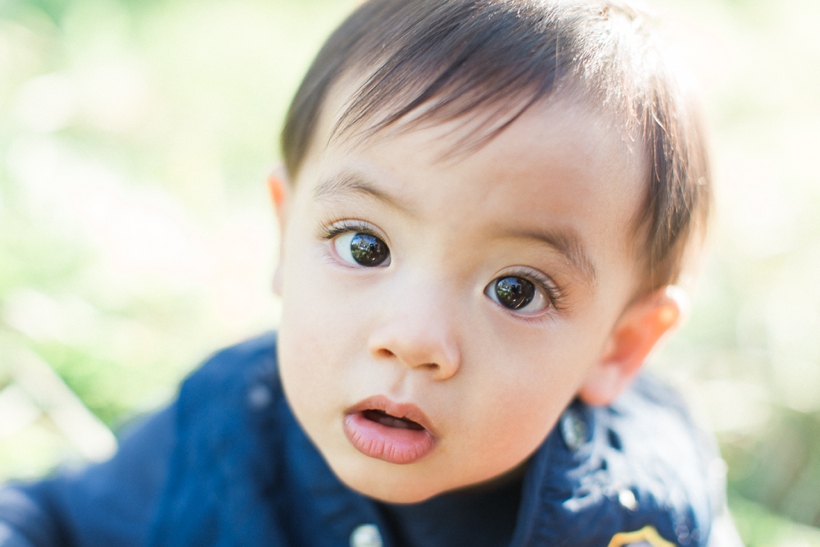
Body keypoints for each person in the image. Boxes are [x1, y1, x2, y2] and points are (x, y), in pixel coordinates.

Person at [0, 0, 744, 545]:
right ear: (285, 234)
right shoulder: (228, 424)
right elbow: (52, 518)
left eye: (516, 290)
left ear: (619, 345)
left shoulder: (640, 513)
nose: (414, 338)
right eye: (364, 246)